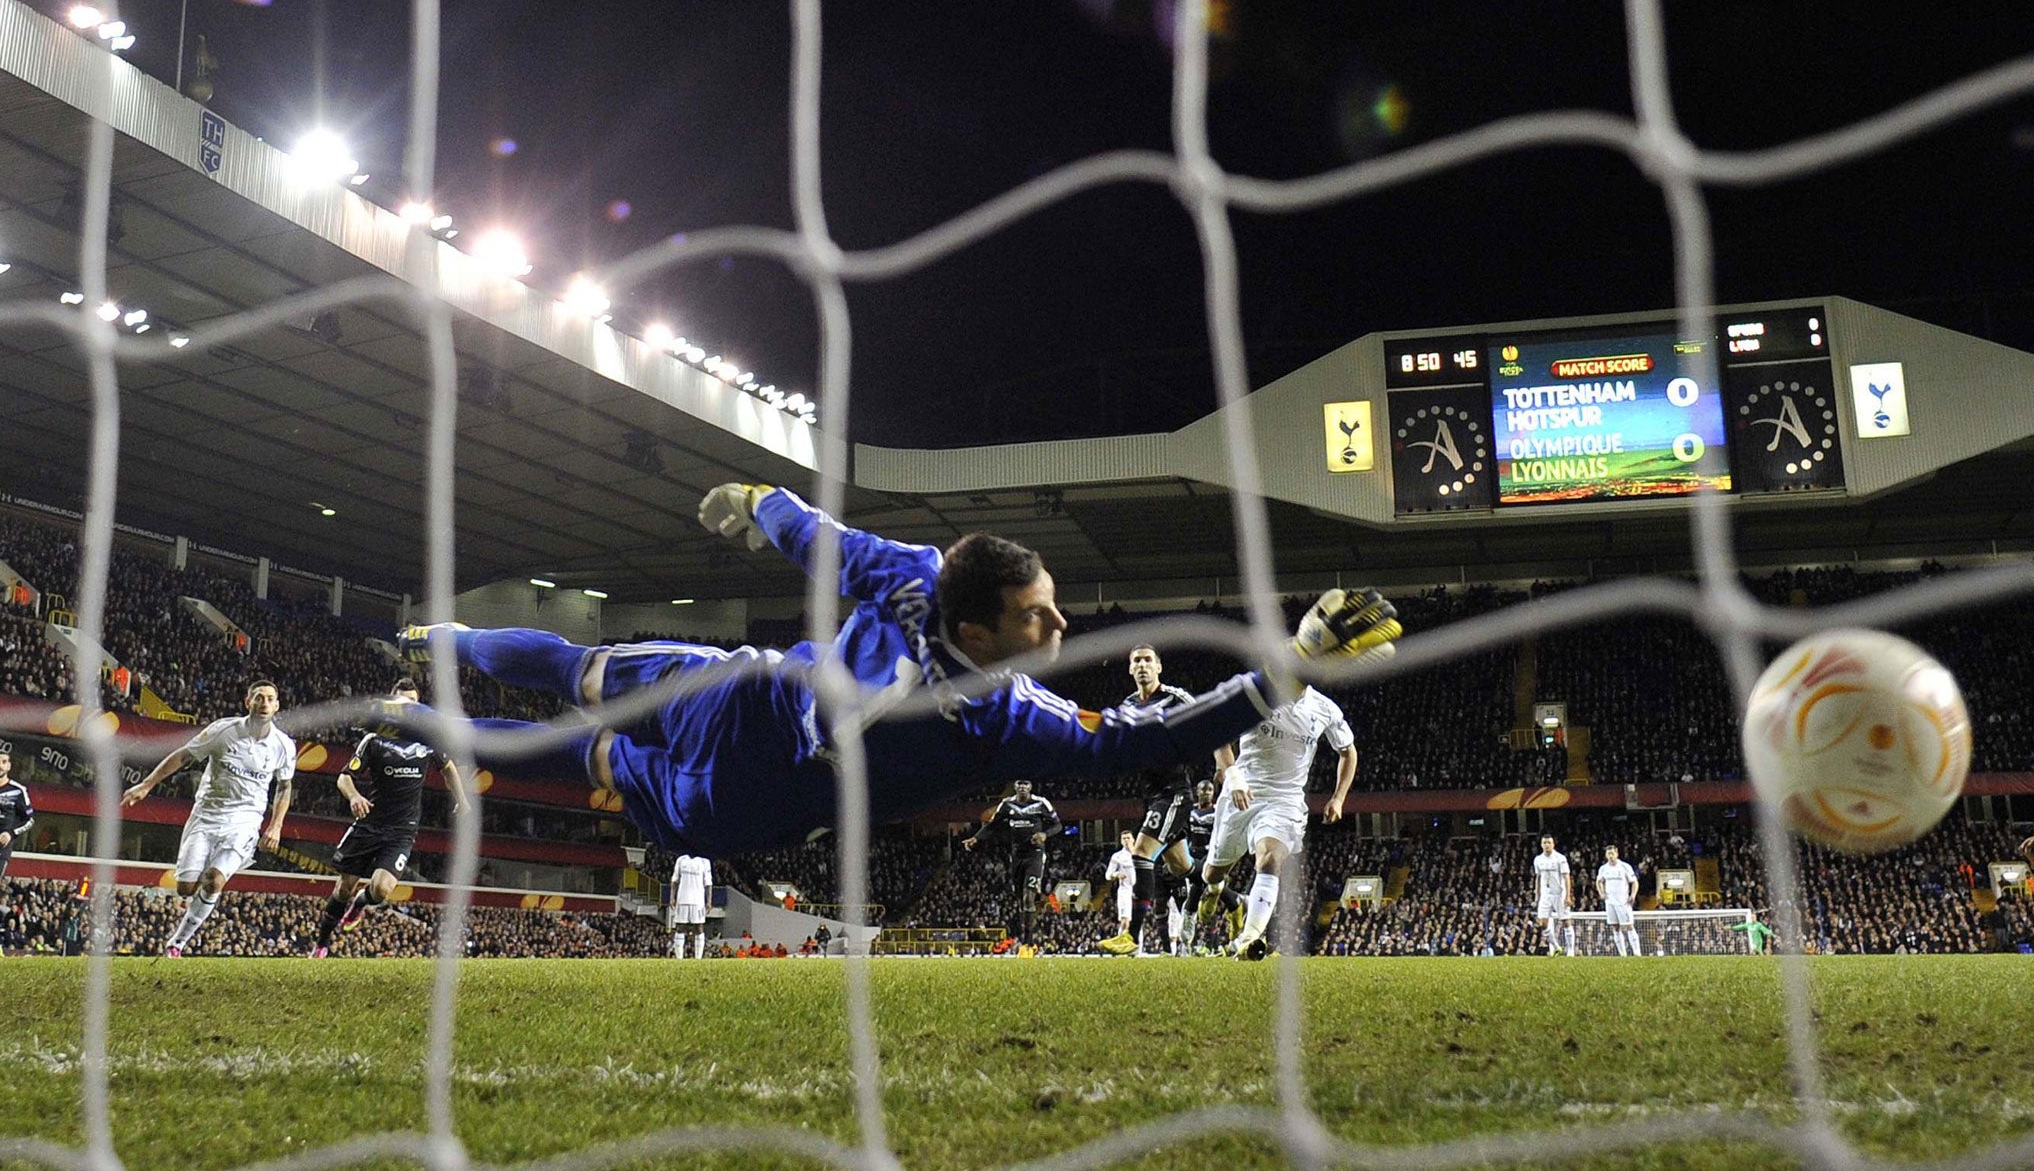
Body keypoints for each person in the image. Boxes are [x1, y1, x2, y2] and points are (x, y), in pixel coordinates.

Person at [404, 484, 1400, 858]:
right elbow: (824, 543)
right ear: (974, 625)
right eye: (1033, 614)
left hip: (743, 796)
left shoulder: (1002, 701)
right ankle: (434, 647)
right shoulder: (992, 697)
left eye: (1051, 601)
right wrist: (765, 502)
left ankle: (410, 718)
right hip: (745, 697)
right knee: (578, 673)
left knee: (578, 750)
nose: (1060, 622)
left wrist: (1290, 668)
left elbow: (1149, 735)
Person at [121, 681, 295, 957]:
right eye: (258, 697)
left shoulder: (283, 746)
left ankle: (176, 944)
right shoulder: (222, 731)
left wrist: (276, 826)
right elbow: (183, 756)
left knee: (214, 880)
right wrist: (146, 785)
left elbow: (285, 787)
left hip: (246, 821)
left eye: (270, 699)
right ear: (247, 701)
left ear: (276, 706)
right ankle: (198, 894)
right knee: (185, 889)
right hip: (206, 815)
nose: (264, 703)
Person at [1194, 683, 1358, 961]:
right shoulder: (1253, 696)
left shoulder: (1324, 707)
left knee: (1271, 858)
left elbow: (1348, 752)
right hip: (1241, 793)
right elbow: (1218, 734)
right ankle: (1215, 889)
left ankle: (1249, 938)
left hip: (1285, 801)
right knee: (1212, 873)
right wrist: (1233, 778)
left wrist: (1339, 798)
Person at [314, 680, 469, 958]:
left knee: (382, 889)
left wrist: (462, 799)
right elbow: (344, 777)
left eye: (413, 704)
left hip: (402, 830)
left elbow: (448, 769)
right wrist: (354, 797)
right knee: (343, 888)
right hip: (369, 824)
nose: (408, 708)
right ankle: (322, 942)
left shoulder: (428, 739)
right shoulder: (374, 739)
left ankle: (362, 903)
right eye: (402, 703)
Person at [1098, 645, 1202, 957]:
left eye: (1147, 660)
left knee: (1141, 853)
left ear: (1159, 667)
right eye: (1136, 661)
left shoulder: (1176, 697)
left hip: (1175, 793)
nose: (1142, 665)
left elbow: (1211, 724)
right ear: (1130, 669)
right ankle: (1236, 902)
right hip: (1152, 794)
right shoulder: (1127, 706)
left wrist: (1228, 770)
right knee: (1182, 866)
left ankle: (1131, 936)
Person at [961, 778, 1060, 947]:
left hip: (1035, 854)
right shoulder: (1006, 805)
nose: (1022, 788)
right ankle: (1026, 937)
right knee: (1022, 900)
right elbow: (992, 825)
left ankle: (1028, 943)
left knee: (1029, 896)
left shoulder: (1041, 803)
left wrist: (1044, 835)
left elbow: (1057, 825)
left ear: (1030, 787)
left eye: (1025, 785)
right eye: (1019, 785)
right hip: (1016, 855)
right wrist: (976, 838)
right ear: (1015, 788)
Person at [1175, 777, 1223, 953]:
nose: (1206, 793)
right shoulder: (1191, 811)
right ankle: (1212, 946)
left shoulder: (1218, 811)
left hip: (1210, 856)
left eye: (1209, 790)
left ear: (1213, 792)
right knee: (1202, 899)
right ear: (1197, 792)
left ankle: (1188, 940)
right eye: (1203, 790)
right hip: (1193, 855)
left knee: (1197, 894)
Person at [1595, 843, 1641, 957]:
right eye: (1608, 854)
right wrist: (1601, 893)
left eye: (1612, 853)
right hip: (1610, 902)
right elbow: (1598, 881)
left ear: (1617, 854)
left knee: (1629, 926)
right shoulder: (1603, 868)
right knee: (1615, 927)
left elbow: (1634, 882)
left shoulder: (1624, 866)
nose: (1610, 856)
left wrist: (1633, 895)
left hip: (1623, 902)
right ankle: (1622, 954)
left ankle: (1637, 953)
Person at [1532, 834, 1573, 956]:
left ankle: (1570, 950)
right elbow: (1538, 878)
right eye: (1544, 843)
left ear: (1553, 844)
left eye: (1549, 843)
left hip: (1559, 894)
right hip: (1545, 895)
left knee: (1565, 921)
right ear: (1541, 845)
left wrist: (1568, 895)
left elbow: (1566, 877)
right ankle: (1556, 946)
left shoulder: (1560, 858)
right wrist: (1537, 895)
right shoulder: (1538, 859)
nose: (1546, 845)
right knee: (1543, 923)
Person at [670, 851, 713, 959]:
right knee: (680, 927)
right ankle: (679, 958)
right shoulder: (681, 859)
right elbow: (674, 880)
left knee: (699, 927)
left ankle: (698, 958)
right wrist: (672, 897)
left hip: (698, 900)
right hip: (682, 898)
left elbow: (708, 883)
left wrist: (709, 901)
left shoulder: (705, 861)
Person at [0, 750, 33, 880]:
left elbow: (30, 820)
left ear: (9, 766)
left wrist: (11, 833)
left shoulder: (18, 790)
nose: (0, 765)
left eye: (3, 762)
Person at [1105, 831, 1138, 945]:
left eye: (1128, 838)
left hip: (1140, 891)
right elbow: (1108, 874)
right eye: (1124, 838)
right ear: (1121, 841)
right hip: (1125, 891)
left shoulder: (1140, 854)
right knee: (1125, 921)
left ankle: (1138, 949)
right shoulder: (1118, 856)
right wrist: (1117, 874)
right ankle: (1120, 945)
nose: (1126, 840)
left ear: (1133, 839)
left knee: (1138, 921)